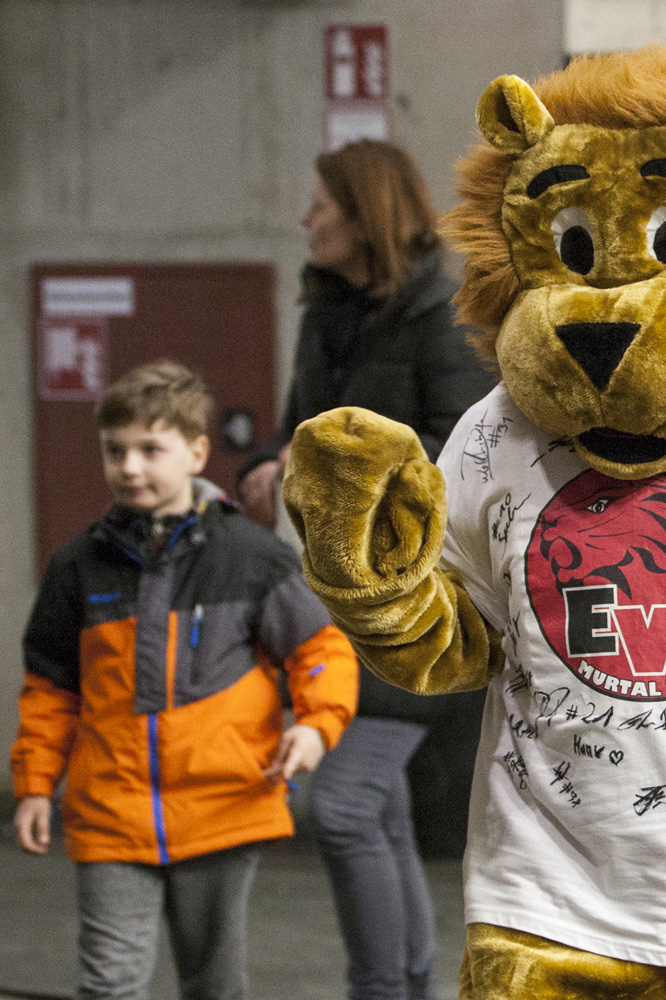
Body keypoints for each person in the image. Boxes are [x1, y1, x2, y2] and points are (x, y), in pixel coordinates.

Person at [236, 139, 496, 1000]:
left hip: (421, 602)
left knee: (343, 807)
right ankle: (408, 986)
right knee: (376, 812)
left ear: (364, 213)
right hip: (339, 593)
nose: (305, 219)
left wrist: (335, 463)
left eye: (321, 204)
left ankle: (383, 991)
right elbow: (297, 427)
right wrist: (269, 463)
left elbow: (465, 454)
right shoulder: (325, 312)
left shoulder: (442, 314)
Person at [10, 359, 358, 1000]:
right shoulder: (77, 566)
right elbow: (52, 690)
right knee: (109, 985)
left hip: (224, 811)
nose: (129, 467)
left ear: (197, 452)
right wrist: (35, 785)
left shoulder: (252, 557)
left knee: (213, 986)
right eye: (115, 451)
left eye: (150, 449)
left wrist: (316, 726)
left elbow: (321, 652)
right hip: (110, 814)